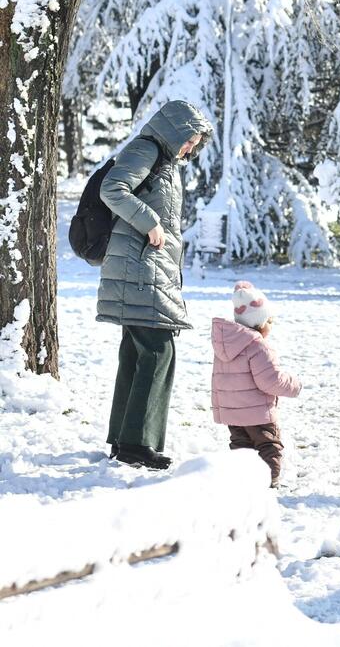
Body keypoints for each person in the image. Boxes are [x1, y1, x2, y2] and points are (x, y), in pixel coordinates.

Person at [99, 100, 213, 469]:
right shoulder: (146, 149)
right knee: (158, 350)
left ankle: (124, 439)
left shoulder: (162, 160)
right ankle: (137, 443)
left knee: (137, 352)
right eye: (190, 140)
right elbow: (113, 189)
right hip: (139, 268)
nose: (191, 148)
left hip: (145, 268)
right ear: (175, 130)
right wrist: (149, 222)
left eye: (196, 143)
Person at [211, 282, 301, 488]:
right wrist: (294, 385)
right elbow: (271, 380)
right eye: (270, 320)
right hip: (257, 413)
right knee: (269, 445)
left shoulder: (227, 344)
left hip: (233, 412)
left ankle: (243, 480)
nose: (272, 325)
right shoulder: (258, 346)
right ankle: (269, 481)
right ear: (260, 323)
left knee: (242, 447)